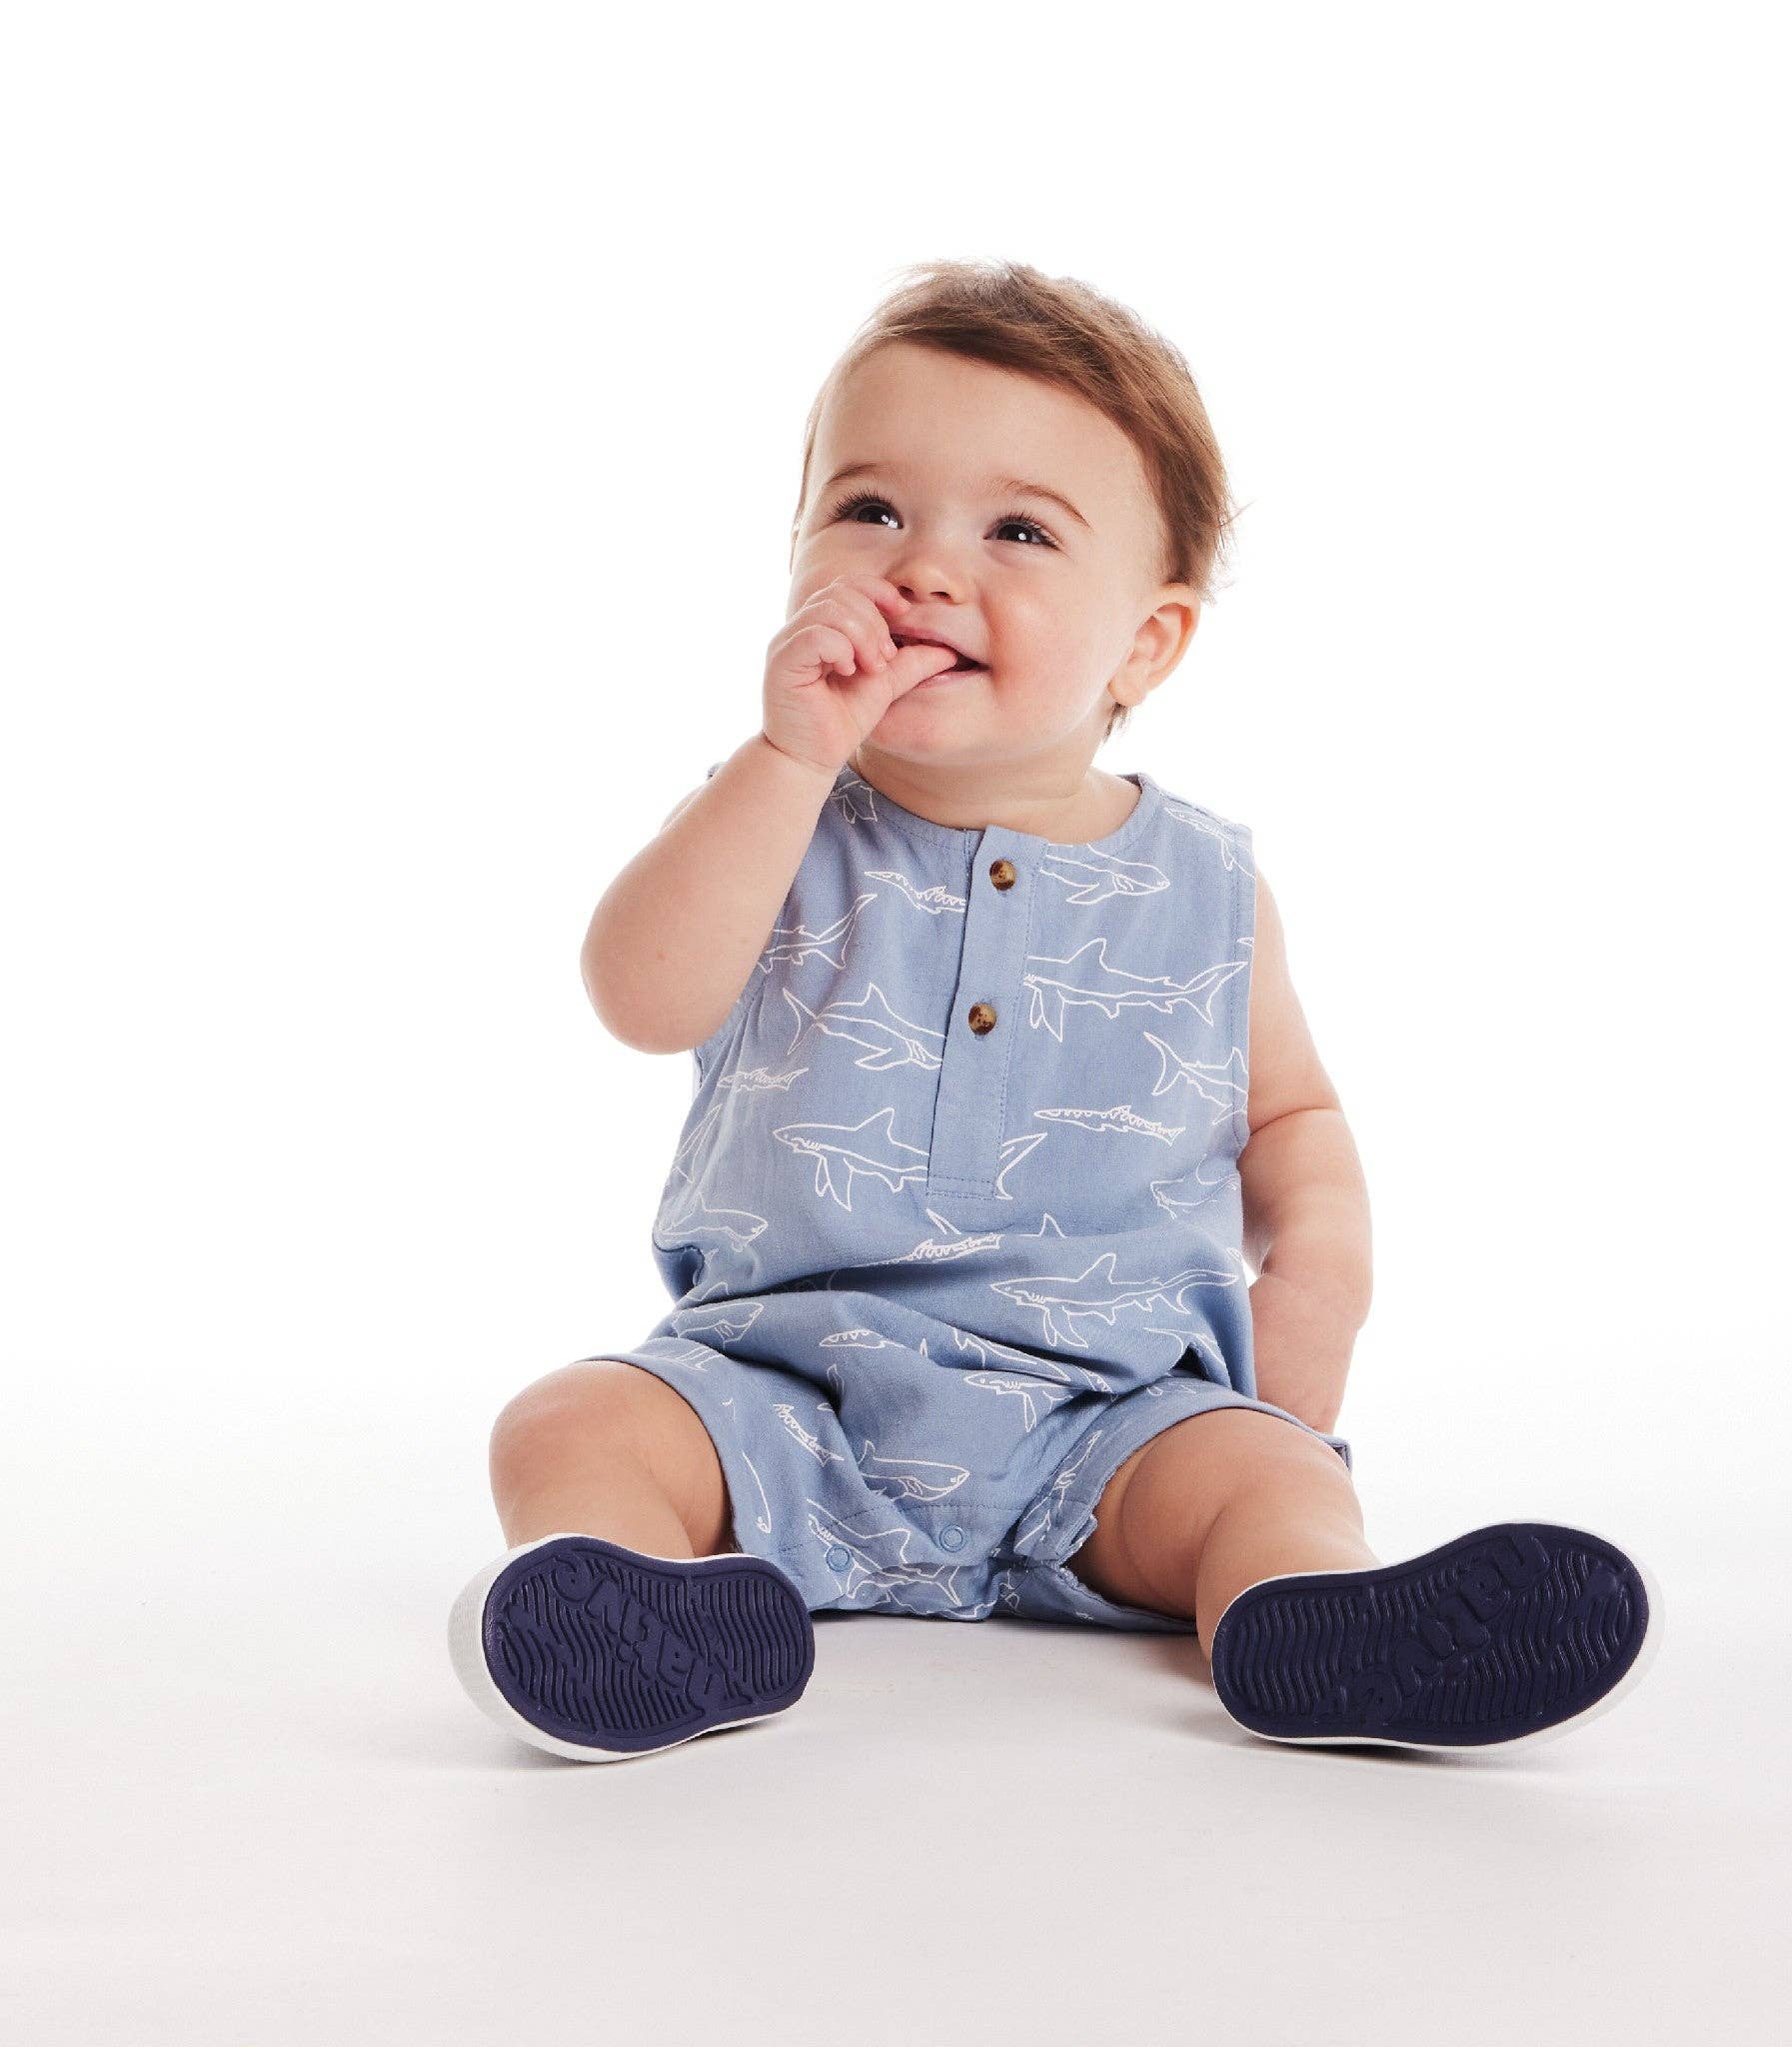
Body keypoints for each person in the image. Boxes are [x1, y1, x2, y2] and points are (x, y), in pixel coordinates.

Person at [447, 259, 1662, 1764]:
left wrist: (1322, 1275)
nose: (924, 569)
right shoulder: (772, 820)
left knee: (1270, 1477)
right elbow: (641, 997)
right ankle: (649, 1616)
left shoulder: (1203, 885)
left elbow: (1291, 1112)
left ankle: (1314, 1619)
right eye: (869, 510)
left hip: (1109, 1418)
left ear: (1147, 642)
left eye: (1016, 531)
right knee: (568, 1425)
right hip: (778, 1391)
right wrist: (785, 759)